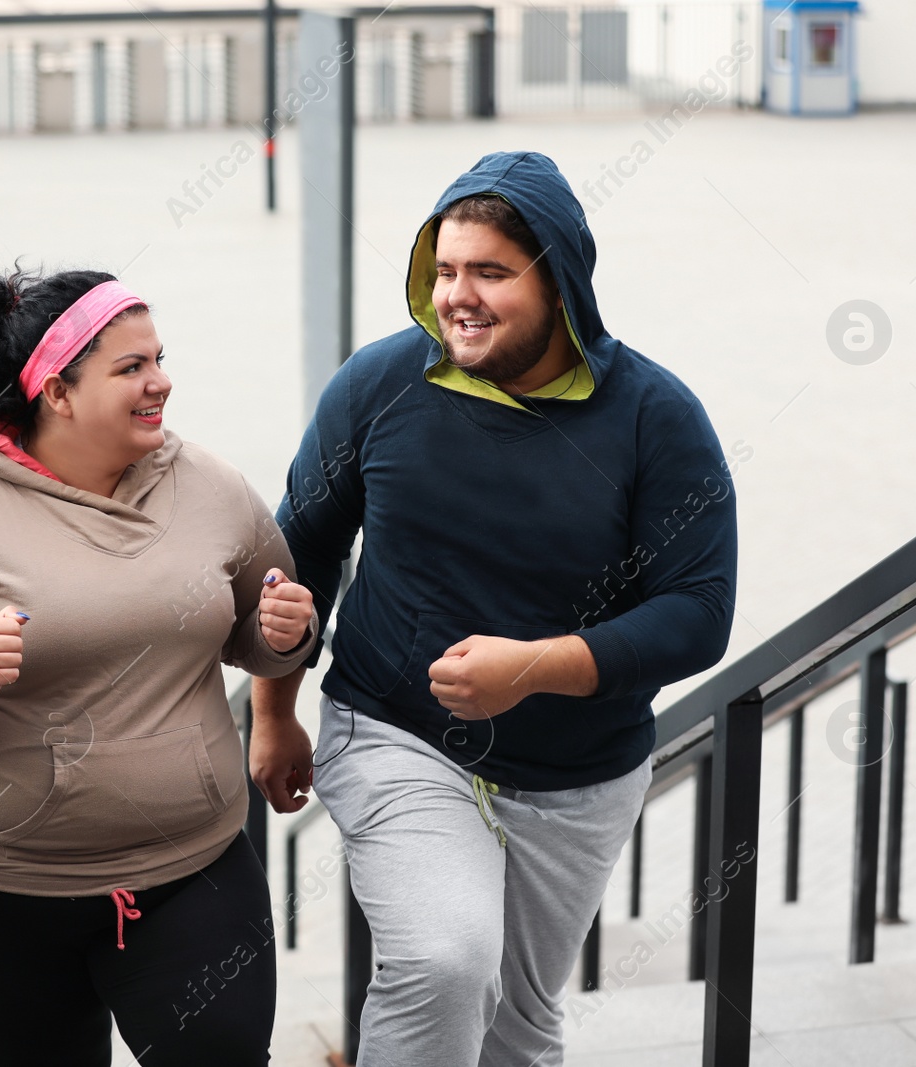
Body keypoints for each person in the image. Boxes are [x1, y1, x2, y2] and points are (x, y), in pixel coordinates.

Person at [249, 151, 739, 1066]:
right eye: (443, 270)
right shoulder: (378, 385)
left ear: (557, 280)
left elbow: (700, 611)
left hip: (578, 775)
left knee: (520, 1018)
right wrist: (274, 715)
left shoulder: (655, 418)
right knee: (445, 961)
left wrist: (535, 667)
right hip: (394, 731)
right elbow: (300, 552)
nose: (457, 297)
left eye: (489, 273)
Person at [0, 260, 317, 1066]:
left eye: (160, 359)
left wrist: (286, 634)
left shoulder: (209, 486)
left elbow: (257, 633)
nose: (160, 382)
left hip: (187, 862)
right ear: (57, 390)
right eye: (132, 367)